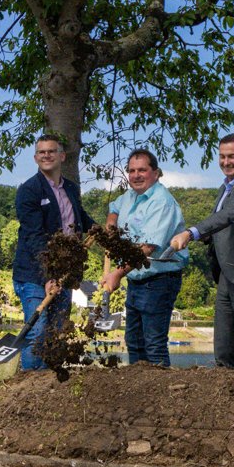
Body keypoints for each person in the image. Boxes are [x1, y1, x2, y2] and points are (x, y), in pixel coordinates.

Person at [169, 134, 234, 369]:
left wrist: (192, 233)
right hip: (226, 274)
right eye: (222, 156)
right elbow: (220, 227)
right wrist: (203, 236)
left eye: (232, 156)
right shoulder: (225, 187)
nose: (226, 162)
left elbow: (227, 216)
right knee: (223, 352)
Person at [12, 134, 95, 370]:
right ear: (36, 158)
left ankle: (50, 389)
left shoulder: (70, 187)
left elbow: (79, 217)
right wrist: (48, 275)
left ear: (62, 156)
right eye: (41, 152)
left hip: (65, 273)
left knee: (58, 332)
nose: (46, 155)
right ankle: (29, 387)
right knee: (37, 332)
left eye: (51, 151)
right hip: (34, 274)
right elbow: (34, 237)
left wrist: (98, 229)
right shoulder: (29, 191)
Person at [101, 149, 187, 367]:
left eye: (142, 170)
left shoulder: (162, 202)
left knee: (154, 343)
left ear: (155, 173)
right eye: (131, 171)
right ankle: (138, 394)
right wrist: (111, 223)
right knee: (134, 341)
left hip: (159, 280)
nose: (136, 175)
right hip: (137, 279)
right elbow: (114, 208)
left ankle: (160, 393)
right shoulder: (130, 196)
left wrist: (117, 274)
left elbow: (146, 249)